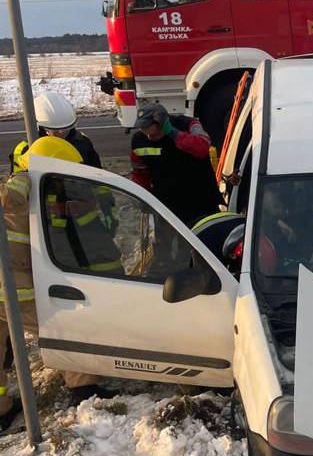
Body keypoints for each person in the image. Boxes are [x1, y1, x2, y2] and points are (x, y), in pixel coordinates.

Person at [0, 137, 118, 432]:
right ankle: (83, 388)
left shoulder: (26, 185)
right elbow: (16, 206)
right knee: (65, 329)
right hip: (12, 287)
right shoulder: (26, 185)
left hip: (8, 282)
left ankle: (1, 410)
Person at [130, 103, 224, 226]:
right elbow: (139, 173)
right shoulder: (139, 140)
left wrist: (173, 133)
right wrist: (143, 198)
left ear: (162, 124)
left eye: (151, 132)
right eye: (142, 129)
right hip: (167, 206)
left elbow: (202, 148)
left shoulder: (189, 125)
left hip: (200, 202)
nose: (148, 136)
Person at [9, 91, 103, 174]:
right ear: (41, 128)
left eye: (67, 128)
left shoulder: (82, 142)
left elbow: (98, 174)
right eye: (56, 130)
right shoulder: (25, 149)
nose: (62, 132)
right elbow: (17, 181)